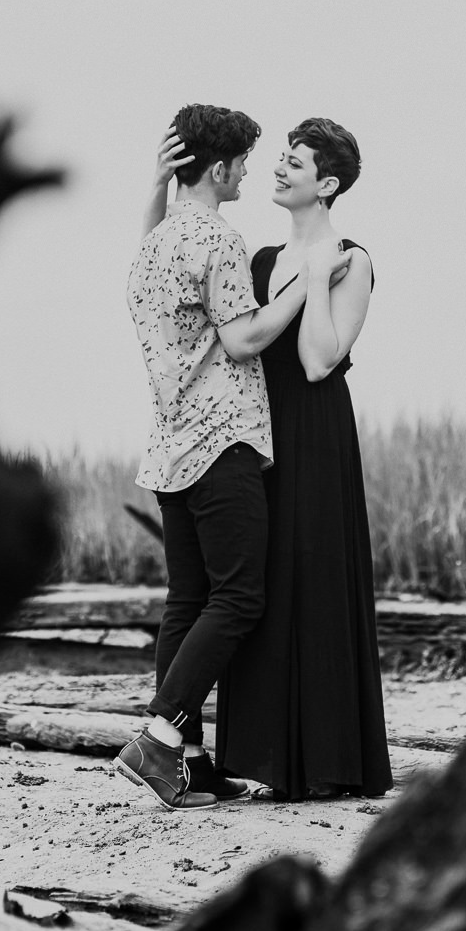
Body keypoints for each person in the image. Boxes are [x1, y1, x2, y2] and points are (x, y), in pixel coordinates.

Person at [114, 103, 344, 810]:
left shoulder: (154, 242)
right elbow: (245, 339)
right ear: (217, 168)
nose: (250, 170)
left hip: (169, 449)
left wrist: (158, 185)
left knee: (188, 600)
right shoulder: (216, 239)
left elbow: (160, 239)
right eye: (243, 161)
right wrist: (309, 281)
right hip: (222, 443)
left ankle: (184, 760)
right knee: (239, 597)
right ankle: (158, 737)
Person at [216, 118, 393, 800]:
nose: (279, 170)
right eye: (281, 160)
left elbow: (320, 360)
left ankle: (327, 762)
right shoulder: (259, 262)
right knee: (262, 588)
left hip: (317, 435)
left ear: (328, 183)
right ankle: (266, 761)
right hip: (260, 437)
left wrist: (318, 279)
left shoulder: (355, 258)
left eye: (294, 162)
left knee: (316, 581)